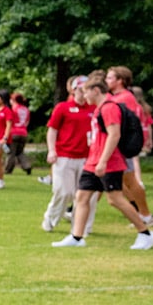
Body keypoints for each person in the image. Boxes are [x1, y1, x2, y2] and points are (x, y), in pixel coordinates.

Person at [52, 79, 153, 250]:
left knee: (115, 199)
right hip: (93, 161)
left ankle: (145, 234)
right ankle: (77, 237)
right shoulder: (100, 108)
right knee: (81, 196)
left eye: (86, 91)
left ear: (96, 90)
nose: (83, 96)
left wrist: (103, 161)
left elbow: (114, 135)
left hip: (108, 162)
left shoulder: (109, 107)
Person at [42, 76, 93, 234]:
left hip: (86, 157)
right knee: (64, 191)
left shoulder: (94, 109)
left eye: (86, 90)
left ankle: (81, 227)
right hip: (64, 155)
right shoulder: (63, 107)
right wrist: (52, 150)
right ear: (73, 90)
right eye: (80, 90)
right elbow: (52, 129)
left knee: (84, 194)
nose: (83, 94)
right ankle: (51, 218)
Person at [105, 66, 153, 224]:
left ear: (121, 81)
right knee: (123, 182)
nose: (107, 80)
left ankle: (144, 214)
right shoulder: (116, 97)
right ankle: (141, 213)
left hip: (121, 147)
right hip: (117, 147)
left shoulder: (123, 98)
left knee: (130, 181)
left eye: (110, 78)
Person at [7, 92, 33, 175]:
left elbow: (10, 121)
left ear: (14, 100)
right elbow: (27, 122)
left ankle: (8, 169)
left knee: (11, 152)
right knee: (20, 152)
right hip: (23, 132)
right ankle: (27, 166)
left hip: (14, 132)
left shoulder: (13, 109)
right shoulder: (26, 109)